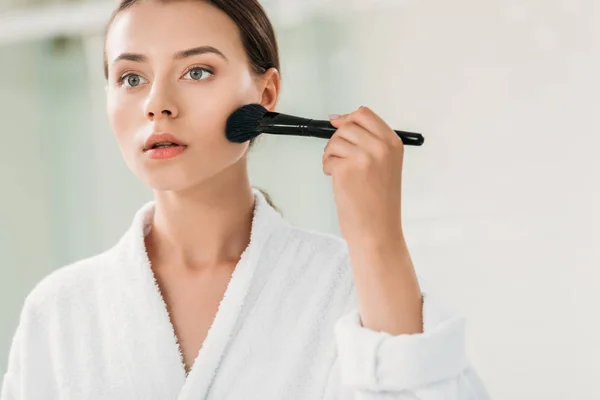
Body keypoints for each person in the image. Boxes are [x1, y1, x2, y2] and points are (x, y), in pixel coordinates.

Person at [1, 0, 490, 399]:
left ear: (267, 93)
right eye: (132, 78)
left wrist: (377, 234)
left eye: (197, 71)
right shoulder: (60, 310)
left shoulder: (348, 286)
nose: (158, 103)